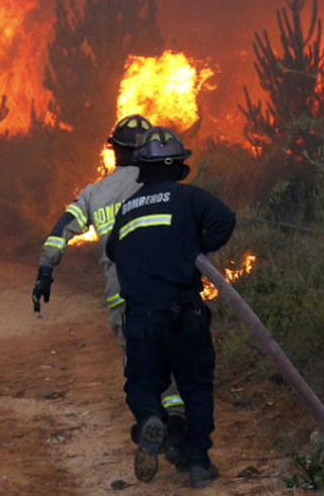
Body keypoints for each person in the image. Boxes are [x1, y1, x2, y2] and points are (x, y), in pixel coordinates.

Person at [31, 114, 188, 470]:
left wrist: (45, 269)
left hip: (123, 298)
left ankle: (152, 419)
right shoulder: (160, 184)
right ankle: (178, 433)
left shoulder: (95, 193)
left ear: (114, 151)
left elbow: (61, 229)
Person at [105, 126, 236, 489]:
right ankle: (197, 464)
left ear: (142, 169)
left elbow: (114, 251)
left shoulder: (128, 209)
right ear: (179, 166)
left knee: (143, 383)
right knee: (194, 386)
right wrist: (194, 250)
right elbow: (225, 220)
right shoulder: (187, 197)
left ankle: (150, 418)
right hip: (184, 314)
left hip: (142, 319)